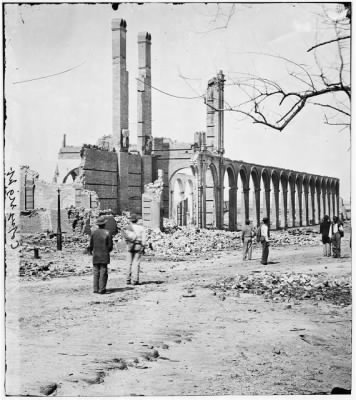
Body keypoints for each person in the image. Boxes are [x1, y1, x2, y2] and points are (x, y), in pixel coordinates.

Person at [88, 215, 113, 294]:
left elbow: (90, 245)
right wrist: (107, 251)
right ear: (104, 224)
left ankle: (95, 288)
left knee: (96, 272)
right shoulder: (108, 233)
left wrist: (91, 251)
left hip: (96, 254)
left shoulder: (94, 233)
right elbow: (110, 246)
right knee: (103, 271)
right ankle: (102, 289)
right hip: (104, 254)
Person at [124, 214, 146, 285]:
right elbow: (144, 240)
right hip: (138, 245)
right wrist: (143, 247)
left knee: (128, 263)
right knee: (136, 263)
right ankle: (135, 280)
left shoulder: (127, 227)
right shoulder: (141, 228)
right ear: (137, 220)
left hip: (130, 246)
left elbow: (125, 238)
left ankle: (128, 279)